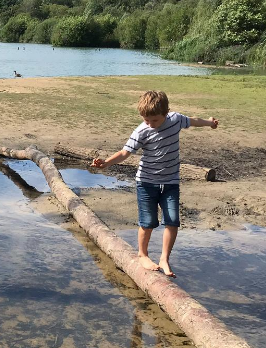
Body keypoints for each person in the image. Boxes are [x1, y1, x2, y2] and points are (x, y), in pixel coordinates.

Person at [91, 91, 218, 277]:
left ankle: (164, 259)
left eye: (155, 120)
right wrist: (106, 163)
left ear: (166, 113)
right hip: (146, 183)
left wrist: (209, 122)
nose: (150, 124)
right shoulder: (141, 131)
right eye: (146, 120)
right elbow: (125, 153)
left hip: (171, 182)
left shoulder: (175, 120)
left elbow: (193, 120)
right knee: (148, 222)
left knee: (172, 221)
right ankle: (142, 254)